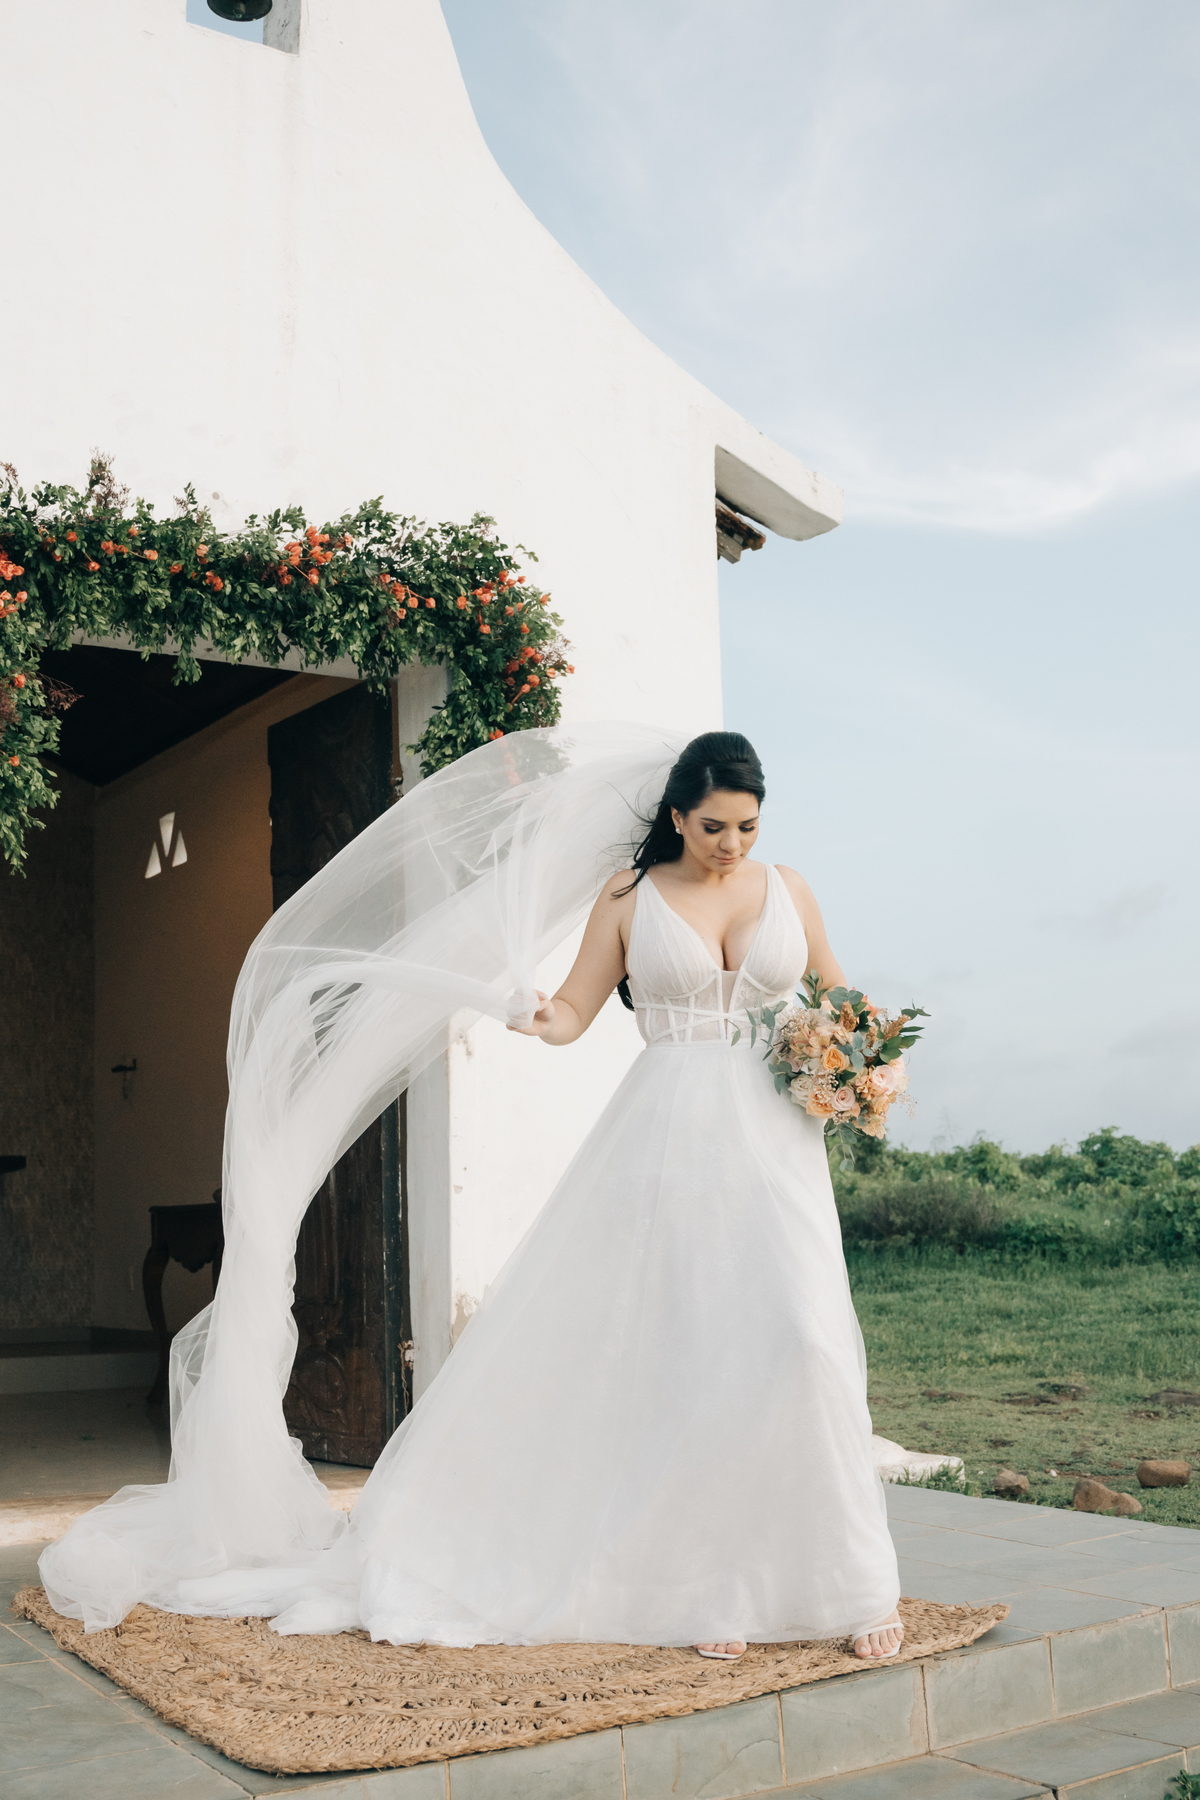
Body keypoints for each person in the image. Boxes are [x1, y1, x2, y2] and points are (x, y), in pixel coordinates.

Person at [40, 725, 902, 1662]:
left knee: (807, 1341)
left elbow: (841, 1002)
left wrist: (865, 1069)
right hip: (670, 1139)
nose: (732, 845)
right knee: (686, 1348)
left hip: (778, 1142)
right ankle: (707, 1592)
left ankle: (853, 1586)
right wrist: (536, 1016)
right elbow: (575, 1011)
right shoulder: (629, 897)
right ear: (677, 816)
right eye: (713, 827)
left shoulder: (791, 889)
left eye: (746, 825)